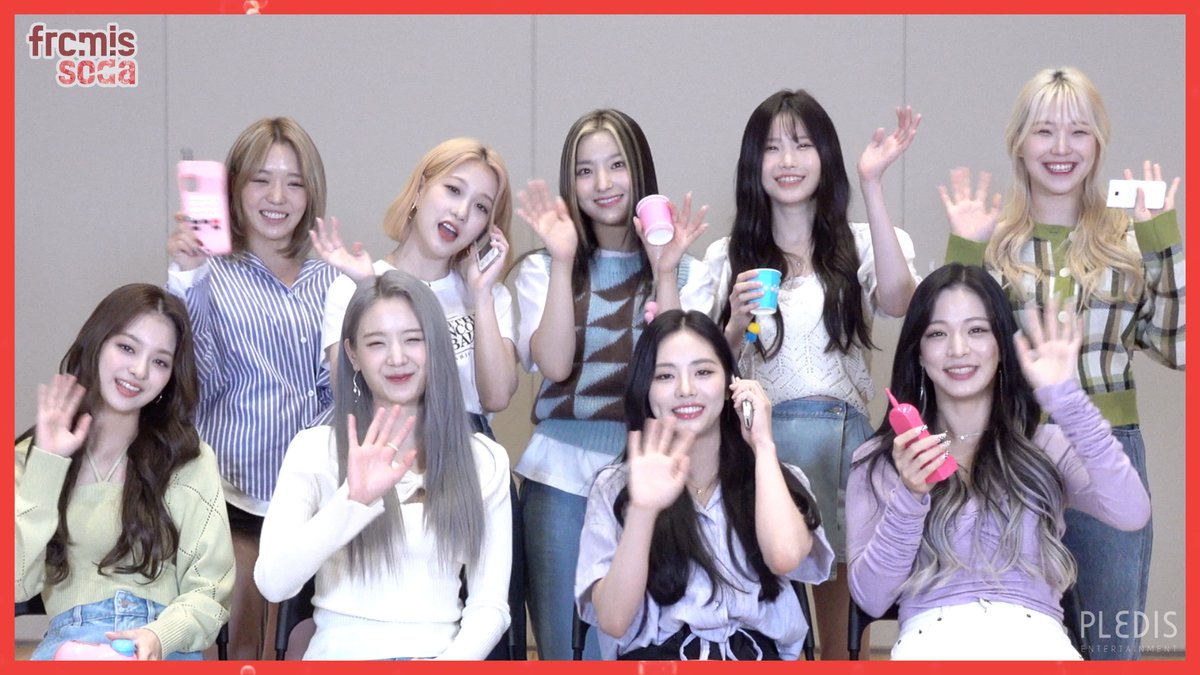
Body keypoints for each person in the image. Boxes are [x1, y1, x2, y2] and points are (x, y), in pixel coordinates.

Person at [939, 66, 1183, 659]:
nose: (1061, 148)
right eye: (1044, 131)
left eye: (1079, 131)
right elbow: (948, 351)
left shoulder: (1130, 240)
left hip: (1108, 450)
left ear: (1098, 143)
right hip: (1013, 452)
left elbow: (1180, 348)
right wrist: (964, 249)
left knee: (1110, 639)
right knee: (1011, 638)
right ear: (1019, 142)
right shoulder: (993, 240)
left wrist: (1163, 239)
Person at [703, 89, 920, 659]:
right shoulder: (727, 256)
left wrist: (872, 184)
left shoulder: (858, 244)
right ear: (753, 163)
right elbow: (707, 370)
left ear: (825, 155)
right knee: (773, 617)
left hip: (844, 445)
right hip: (762, 446)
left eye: (802, 144)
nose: (788, 160)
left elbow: (900, 299)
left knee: (843, 629)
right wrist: (733, 323)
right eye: (772, 148)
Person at [846, 263, 1151, 660]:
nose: (958, 349)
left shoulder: (1047, 445)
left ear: (1001, 345)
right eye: (937, 333)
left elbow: (1132, 512)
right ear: (918, 352)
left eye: (976, 330)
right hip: (930, 642)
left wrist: (1067, 401)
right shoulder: (881, 459)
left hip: (1038, 643)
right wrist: (909, 495)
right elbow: (871, 598)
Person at [513, 108, 712, 660]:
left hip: (651, 473)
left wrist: (664, 272)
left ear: (640, 170)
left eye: (617, 165)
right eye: (585, 170)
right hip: (558, 475)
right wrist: (562, 262)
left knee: (638, 642)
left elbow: (678, 376)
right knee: (562, 646)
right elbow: (555, 365)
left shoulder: (689, 271)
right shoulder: (542, 268)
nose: (602, 183)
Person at [254, 270, 512, 660]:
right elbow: (273, 583)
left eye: (413, 339)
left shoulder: (484, 460)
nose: (397, 358)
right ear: (353, 355)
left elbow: (490, 606)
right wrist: (350, 502)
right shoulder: (314, 450)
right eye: (376, 343)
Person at [166, 116, 337, 659]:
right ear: (234, 188)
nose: (277, 197)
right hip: (230, 494)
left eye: (294, 182)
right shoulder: (209, 273)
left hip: (311, 497)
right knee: (240, 638)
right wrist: (186, 278)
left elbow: (338, 393)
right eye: (261, 179)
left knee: (306, 641)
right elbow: (193, 382)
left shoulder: (331, 278)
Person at [576, 309, 832, 660]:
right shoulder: (614, 486)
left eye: (703, 372)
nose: (686, 389)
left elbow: (784, 557)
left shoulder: (774, 475)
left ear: (730, 384)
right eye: (665, 376)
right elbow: (613, 620)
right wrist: (643, 511)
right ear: (645, 389)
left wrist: (762, 445)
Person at [15, 283, 235, 661]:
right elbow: (14, 584)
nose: (139, 370)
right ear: (98, 343)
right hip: (69, 648)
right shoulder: (30, 458)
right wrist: (48, 463)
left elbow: (210, 590)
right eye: (127, 348)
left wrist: (158, 637)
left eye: (160, 362)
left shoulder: (189, 458)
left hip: (162, 647)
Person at [315, 137, 518, 438]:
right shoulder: (354, 286)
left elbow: (497, 398)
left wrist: (482, 294)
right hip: (385, 448)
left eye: (481, 207)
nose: (461, 212)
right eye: (453, 190)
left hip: (470, 453)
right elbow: (348, 395)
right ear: (421, 188)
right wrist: (368, 289)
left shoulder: (490, 295)